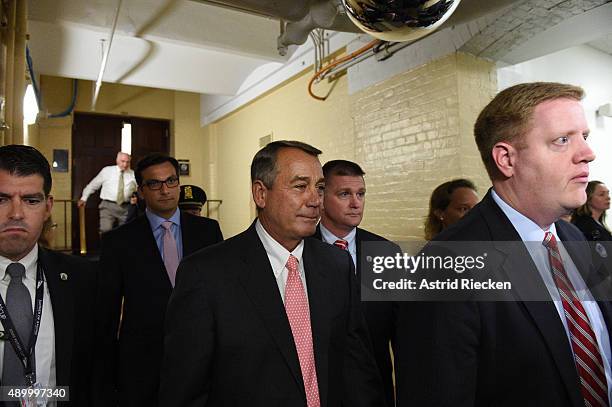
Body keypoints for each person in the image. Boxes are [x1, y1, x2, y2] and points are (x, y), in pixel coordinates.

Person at [395, 82, 612, 407]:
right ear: (506, 159)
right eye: (562, 140)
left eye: (585, 137)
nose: (587, 154)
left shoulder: (572, 238)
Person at [159, 140, 385, 407]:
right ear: (261, 193)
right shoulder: (206, 274)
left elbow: (357, 367)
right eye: (301, 186)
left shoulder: (337, 265)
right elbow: (185, 390)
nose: (315, 200)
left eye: (320, 188)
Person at [98, 153, 224, 407]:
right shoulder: (119, 241)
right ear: (141, 190)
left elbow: (222, 296)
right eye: (155, 184)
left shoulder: (208, 231)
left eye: (171, 181)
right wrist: (105, 379)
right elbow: (107, 313)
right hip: (143, 364)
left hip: (202, 360)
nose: (165, 190)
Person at [0, 145, 98, 405]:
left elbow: (94, 371)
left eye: (31, 200)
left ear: (47, 207)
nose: (16, 214)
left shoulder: (83, 279)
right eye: (1, 199)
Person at [312, 159, 397, 406]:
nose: (355, 203)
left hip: (374, 388)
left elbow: (401, 332)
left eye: (360, 194)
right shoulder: (301, 251)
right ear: (321, 197)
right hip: (319, 388)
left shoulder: (386, 252)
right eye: (344, 194)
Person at [78, 151, 136, 233]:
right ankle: (106, 246)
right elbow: (92, 185)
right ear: (117, 160)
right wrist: (84, 198)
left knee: (125, 233)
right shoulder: (107, 171)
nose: (125, 164)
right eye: (123, 161)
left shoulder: (133, 174)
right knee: (106, 230)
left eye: (127, 162)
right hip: (108, 206)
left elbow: (140, 190)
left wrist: (136, 198)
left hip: (126, 207)